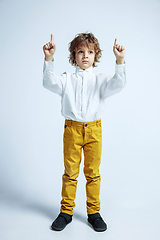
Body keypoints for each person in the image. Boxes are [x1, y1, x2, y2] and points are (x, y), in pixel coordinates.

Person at [43, 33, 126, 232]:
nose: (85, 56)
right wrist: (48, 58)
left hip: (94, 130)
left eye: (90, 52)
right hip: (72, 129)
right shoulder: (66, 79)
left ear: (96, 55)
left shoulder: (102, 80)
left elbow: (119, 84)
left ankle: (93, 213)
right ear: (74, 55)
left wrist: (120, 60)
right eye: (80, 51)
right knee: (70, 173)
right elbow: (48, 83)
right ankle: (66, 212)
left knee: (93, 174)